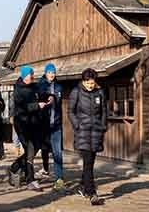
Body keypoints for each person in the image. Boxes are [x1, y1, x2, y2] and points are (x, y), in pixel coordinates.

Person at [69, 68, 107, 204]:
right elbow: (71, 111)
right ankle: (92, 194)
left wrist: (103, 126)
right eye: (88, 83)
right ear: (83, 81)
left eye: (92, 83)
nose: (91, 86)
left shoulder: (99, 92)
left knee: (90, 164)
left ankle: (82, 185)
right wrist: (77, 125)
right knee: (88, 162)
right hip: (83, 133)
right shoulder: (76, 92)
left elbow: (104, 111)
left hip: (96, 132)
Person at [7, 65, 48, 191]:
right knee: (30, 149)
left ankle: (15, 167)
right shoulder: (18, 90)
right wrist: (37, 106)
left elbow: (42, 95)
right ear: (24, 76)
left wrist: (48, 97)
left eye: (32, 74)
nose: (32, 76)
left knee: (35, 149)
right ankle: (30, 179)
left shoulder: (34, 87)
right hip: (22, 124)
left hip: (34, 124)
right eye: (30, 75)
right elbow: (21, 108)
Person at [39, 62, 65, 189]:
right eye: (49, 72)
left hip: (56, 123)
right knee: (41, 148)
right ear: (45, 73)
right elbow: (41, 95)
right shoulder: (41, 85)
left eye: (53, 73)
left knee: (57, 152)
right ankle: (40, 170)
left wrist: (55, 98)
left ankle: (59, 178)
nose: (51, 75)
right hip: (43, 124)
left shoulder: (59, 86)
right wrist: (48, 97)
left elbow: (59, 102)